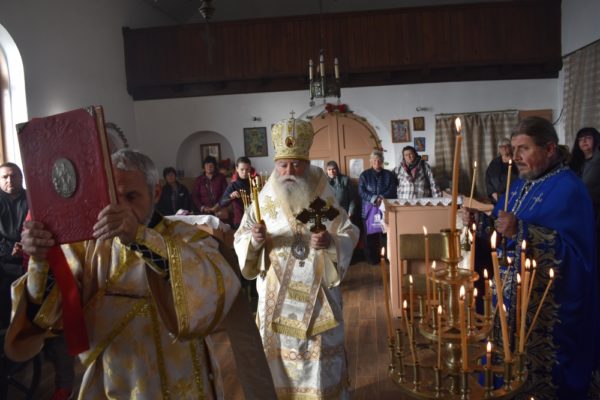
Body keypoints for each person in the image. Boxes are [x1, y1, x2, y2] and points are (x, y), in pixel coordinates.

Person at [4, 149, 242, 399]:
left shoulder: (187, 237)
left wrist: (139, 238)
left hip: (183, 380)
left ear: (155, 193)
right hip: (114, 385)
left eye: (131, 196)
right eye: (111, 197)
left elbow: (215, 289)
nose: (120, 208)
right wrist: (42, 260)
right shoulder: (88, 248)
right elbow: (48, 317)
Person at [462, 117, 600, 399]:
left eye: (523, 149)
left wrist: (522, 231)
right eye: (514, 149)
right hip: (508, 297)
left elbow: (578, 256)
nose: (515, 157)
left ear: (549, 149)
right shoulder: (518, 185)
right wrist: (481, 222)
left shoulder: (570, 189)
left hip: (545, 305)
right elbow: (501, 226)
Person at [234, 116, 359, 399]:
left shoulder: (322, 194)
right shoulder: (263, 198)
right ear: (276, 164)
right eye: (283, 164)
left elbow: (349, 231)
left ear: (306, 162)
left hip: (318, 292)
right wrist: (254, 241)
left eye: (296, 164)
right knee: (278, 360)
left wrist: (330, 242)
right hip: (276, 291)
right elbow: (242, 236)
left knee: (317, 358)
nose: (289, 171)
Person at [358, 150, 397, 264]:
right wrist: (374, 198)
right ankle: (372, 259)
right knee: (370, 235)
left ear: (382, 161)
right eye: (374, 160)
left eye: (379, 160)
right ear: (371, 161)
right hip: (368, 210)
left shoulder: (389, 175)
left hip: (385, 209)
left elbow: (393, 189)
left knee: (386, 234)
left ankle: (388, 258)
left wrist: (381, 197)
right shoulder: (364, 175)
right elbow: (361, 191)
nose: (377, 162)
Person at [219, 157, 252, 229]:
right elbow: (221, 203)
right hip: (239, 221)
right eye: (242, 169)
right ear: (237, 169)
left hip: (254, 219)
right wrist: (231, 196)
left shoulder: (254, 183)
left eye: (247, 169)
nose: (244, 172)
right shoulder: (233, 185)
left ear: (250, 169)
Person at [485, 138, 519, 204]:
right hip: (496, 197)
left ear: (511, 147)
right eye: (501, 147)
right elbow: (488, 178)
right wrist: (493, 193)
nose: (504, 148)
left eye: (506, 146)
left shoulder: (516, 162)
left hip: (512, 196)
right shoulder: (494, 162)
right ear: (499, 149)